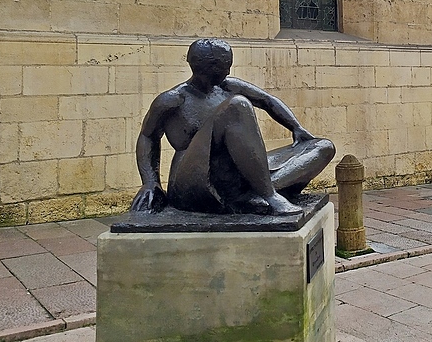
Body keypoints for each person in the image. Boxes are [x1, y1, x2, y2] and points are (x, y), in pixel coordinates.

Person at [130, 38, 336, 215]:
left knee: (323, 147)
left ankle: (250, 196)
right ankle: (269, 195)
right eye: (223, 66)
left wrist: (296, 128)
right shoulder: (173, 100)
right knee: (237, 105)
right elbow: (148, 136)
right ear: (206, 68)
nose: (228, 70)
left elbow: (267, 100)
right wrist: (150, 181)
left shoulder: (228, 86)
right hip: (195, 184)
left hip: (237, 178)